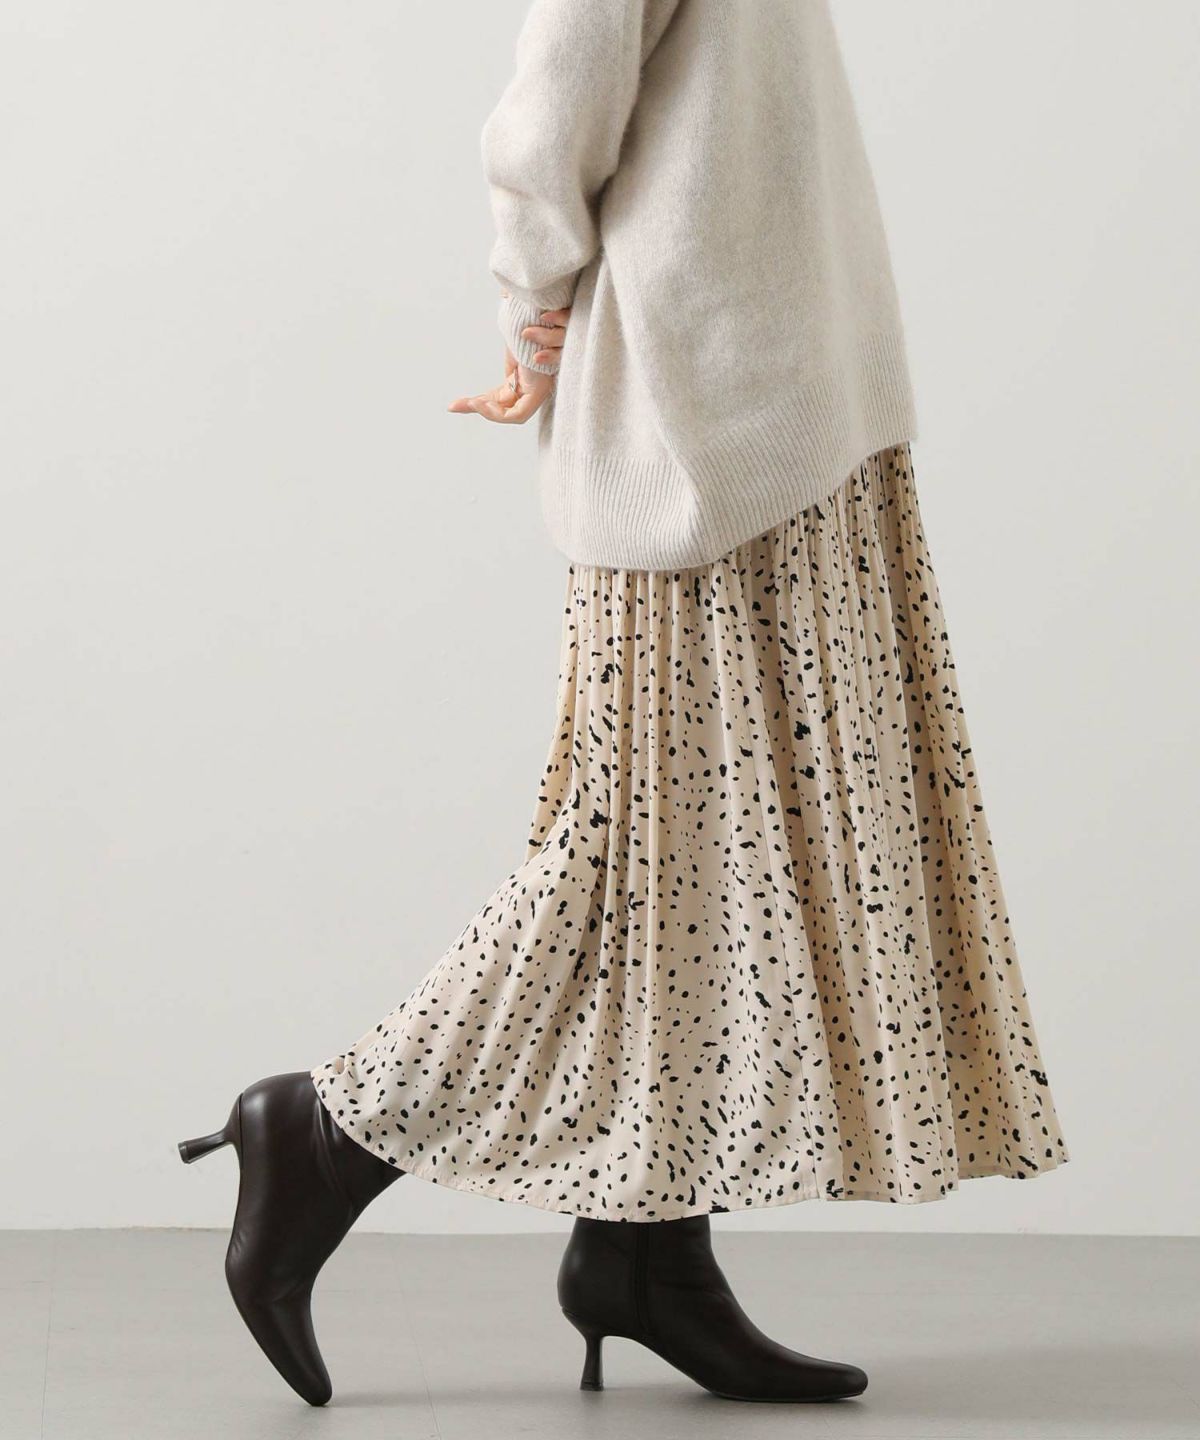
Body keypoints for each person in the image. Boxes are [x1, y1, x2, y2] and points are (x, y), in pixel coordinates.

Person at [180, 0, 1069, 1408]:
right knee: (633, 853)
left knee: (690, 876)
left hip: (786, 392)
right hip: (705, 420)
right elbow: (556, 107)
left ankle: (646, 1253)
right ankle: (324, 1134)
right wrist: (533, 306)